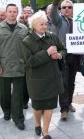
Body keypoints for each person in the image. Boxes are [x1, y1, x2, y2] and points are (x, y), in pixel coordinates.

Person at [22, 11, 66, 139]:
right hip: (36, 80)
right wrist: (47, 53)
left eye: (46, 24)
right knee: (37, 107)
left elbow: (63, 49)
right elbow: (30, 62)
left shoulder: (52, 36)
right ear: (34, 25)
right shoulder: (26, 41)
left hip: (52, 78)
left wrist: (59, 55)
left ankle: (45, 132)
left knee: (50, 106)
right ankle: (37, 123)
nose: (45, 27)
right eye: (41, 24)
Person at [0, 3, 28, 130]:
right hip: (4, 66)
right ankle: (6, 110)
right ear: (6, 13)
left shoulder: (23, 28)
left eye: (14, 11)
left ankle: (19, 118)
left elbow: (28, 47)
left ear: (17, 13)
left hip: (19, 66)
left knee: (18, 94)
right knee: (5, 93)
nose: (12, 14)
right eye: (10, 11)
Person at [51, 0, 82, 120]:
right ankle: (63, 108)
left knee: (72, 82)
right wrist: (56, 0)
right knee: (63, 82)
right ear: (61, 9)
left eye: (69, 7)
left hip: (76, 56)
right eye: (64, 7)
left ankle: (69, 103)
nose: (67, 9)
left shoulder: (78, 21)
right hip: (63, 56)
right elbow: (52, 13)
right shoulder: (58, 20)